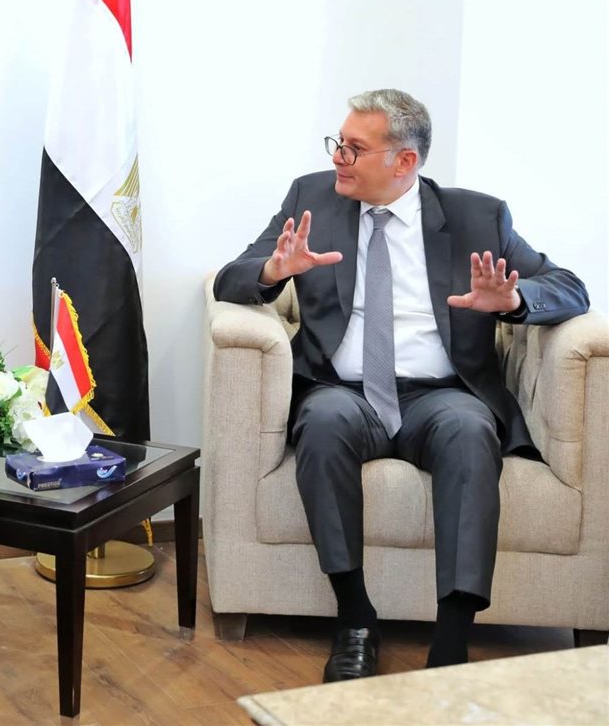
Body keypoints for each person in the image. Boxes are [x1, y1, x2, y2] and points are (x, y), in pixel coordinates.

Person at [214, 89, 589, 682]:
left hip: (441, 393)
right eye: (338, 143)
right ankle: (355, 619)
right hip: (343, 389)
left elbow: (571, 288)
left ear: (404, 161)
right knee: (323, 424)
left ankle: (452, 638)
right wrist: (272, 270)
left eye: (353, 148)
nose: (337, 157)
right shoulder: (310, 198)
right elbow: (229, 279)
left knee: (470, 432)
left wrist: (515, 299)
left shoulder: (477, 217)